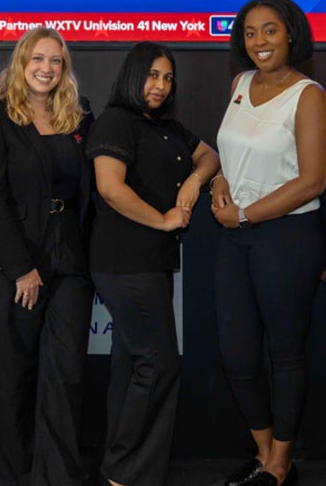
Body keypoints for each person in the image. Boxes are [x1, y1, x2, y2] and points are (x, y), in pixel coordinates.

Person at [210, 0, 326, 486]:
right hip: (237, 239)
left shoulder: (309, 95)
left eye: (270, 31)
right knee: (237, 352)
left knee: (285, 352)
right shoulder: (239, 84)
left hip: (287, 238)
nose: (259, 42)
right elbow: (231, 152)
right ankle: (264, 454)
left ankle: (281, 464)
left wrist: (244, 214)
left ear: (291, 35)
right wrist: (221, 181)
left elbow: (312, 181)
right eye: (250, 33)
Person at [86, 42, 220, 486]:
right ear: (132, 76)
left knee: (133, 364)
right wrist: (163, 219)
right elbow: (110, 188)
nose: (160, 85)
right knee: (159, 363)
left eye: (167, 77)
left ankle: (121, 468)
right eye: (151, 76)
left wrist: (194, 183)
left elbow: (209, 155)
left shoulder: (164, 126)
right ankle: (127, 471)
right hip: (125, 262)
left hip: (152, 263)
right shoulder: (116, 121)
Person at [0, 26, 95, 486]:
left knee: (67, 374)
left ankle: (59, 475)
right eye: (37, 59)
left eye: (56, 61)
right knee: (14, 373)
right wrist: (22, 268)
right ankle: (17, 474)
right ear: (21, 64)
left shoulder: (78, 118)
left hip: (69, 259)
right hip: (9, 264)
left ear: (65, 69)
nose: (46, 68)